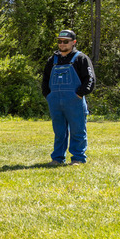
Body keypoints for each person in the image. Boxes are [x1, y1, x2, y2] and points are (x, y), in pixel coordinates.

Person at [41, 29, 96, 165]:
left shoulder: (80, 58)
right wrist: (48, 95)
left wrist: (79, 94)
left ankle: (78, 158)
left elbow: (90, 79)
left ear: (73, 42)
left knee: (78, 130)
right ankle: (57, 158)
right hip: (55, 101)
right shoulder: (52, 60)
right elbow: (45, 80)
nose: (62, 44)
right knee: (59, 131)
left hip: (74, 101)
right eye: (60, 41)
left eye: (66, 42)